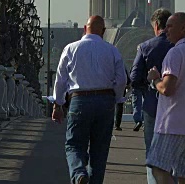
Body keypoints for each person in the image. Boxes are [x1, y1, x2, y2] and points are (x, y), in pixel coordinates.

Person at [52, 15, 128, 184]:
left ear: (84, 29)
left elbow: (60, 79)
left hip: (79, 100)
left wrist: (58, 104)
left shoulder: (70, 48)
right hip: (105, 100)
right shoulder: (112, 50)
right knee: (100, 151)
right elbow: (122, 79)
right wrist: (115, 97)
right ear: (104, 31)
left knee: (74, 144)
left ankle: (79, 172)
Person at [145, 12, 185, 184]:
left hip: (173, 124)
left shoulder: (175, 53)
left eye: (170, 26)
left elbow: (167, 88)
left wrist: (155, 79)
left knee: (158, 168)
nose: (166, 30)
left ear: (183, 28)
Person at [129, 8, 174, 182]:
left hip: (152, 105)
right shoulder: (180, 46)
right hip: (178, 107)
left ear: (156, 25)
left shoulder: (146, 46)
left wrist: (147, 86)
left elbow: (134, 77)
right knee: (174, 153)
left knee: (152, 152)